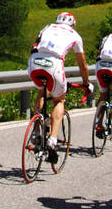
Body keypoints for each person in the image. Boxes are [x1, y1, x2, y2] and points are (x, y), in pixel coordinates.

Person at [27, 12, 92, 162]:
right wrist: (86, 83)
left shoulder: (47, 28)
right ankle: (52, 140)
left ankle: (36, 132)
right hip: (54, 63)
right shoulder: (75, 35)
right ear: (73, 24)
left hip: (34, 61)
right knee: (59, 100)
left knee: (42, 92)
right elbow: (82, 64)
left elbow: (35, 45)